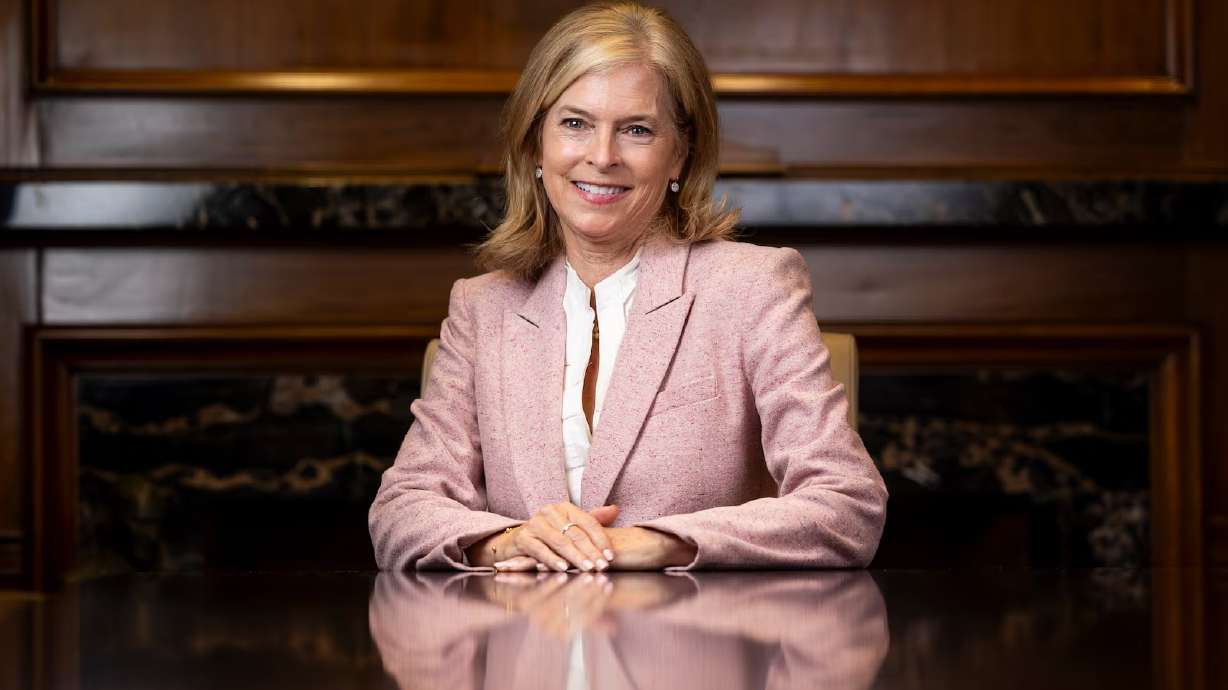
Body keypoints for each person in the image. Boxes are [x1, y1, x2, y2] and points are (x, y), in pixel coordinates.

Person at [369, 1, 886, 573]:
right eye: (575, 123)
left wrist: (654, 542)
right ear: (536, 144)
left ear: (679, 154)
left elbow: (847, 506)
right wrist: (507, 541)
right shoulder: (483, 305)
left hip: (697, 648)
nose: (602, 156)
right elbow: (401, 509)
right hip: (525, 649)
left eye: (637, 130)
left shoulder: (752, 287)